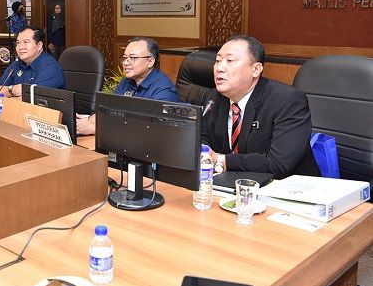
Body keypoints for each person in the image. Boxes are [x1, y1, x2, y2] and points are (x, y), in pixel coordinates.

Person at [202, 35, 319, 179]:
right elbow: (202, 140)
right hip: (233, 183)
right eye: (218, 60)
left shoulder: (288, 100)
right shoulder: (214, 98)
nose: (219, 68)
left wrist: (220, 160)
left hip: (289, 187)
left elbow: (277, 164)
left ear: (256, 69)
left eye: (230, 60)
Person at [76, 37, 179, 135]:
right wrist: (86, 122)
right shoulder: (127, 82)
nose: (125, 63)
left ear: (150, 61)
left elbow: (151, 129)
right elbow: (109, 110)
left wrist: (95, 129)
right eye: (125, 58)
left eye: (133, 58)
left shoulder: (164, 90)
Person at [0, 26, 65, 99]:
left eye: (26, 42)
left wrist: (5, 97)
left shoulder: (50, 67)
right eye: (18, 42)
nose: (20, 47)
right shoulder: (16, 64)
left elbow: (32, 99)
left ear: (39, 45)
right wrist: (13, 90)